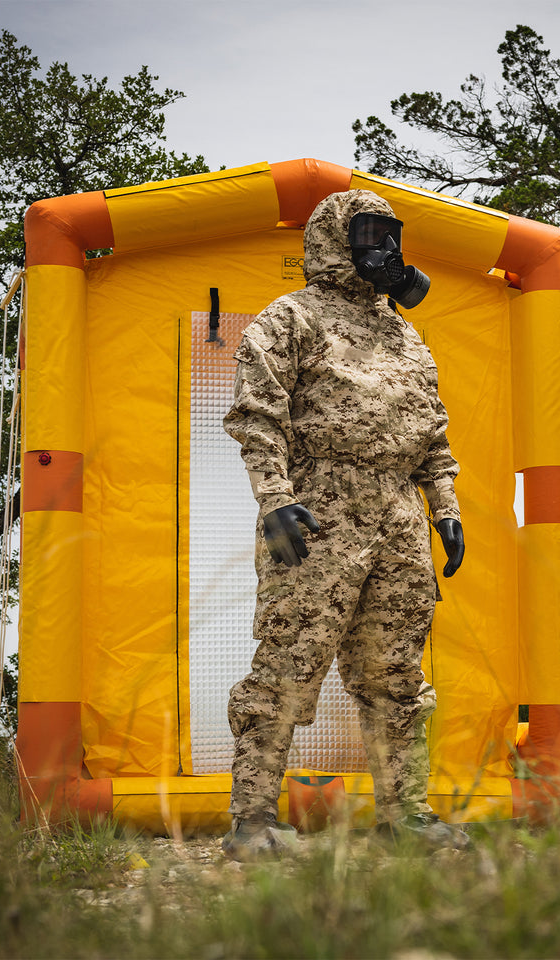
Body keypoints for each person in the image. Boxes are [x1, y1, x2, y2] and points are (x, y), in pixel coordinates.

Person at [221, 189, 468, 860]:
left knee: (396, 672)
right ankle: (252, 820)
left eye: (389, 233)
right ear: (335, 236)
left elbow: (431, 431)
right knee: (289, 663)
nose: (380, 245)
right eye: (366, 232)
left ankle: (406, 816)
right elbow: (257, 416)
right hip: (319, 511)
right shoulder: (289, 318)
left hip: (397, 514)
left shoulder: (404, 332)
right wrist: (274, 500)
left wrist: (442, 507)